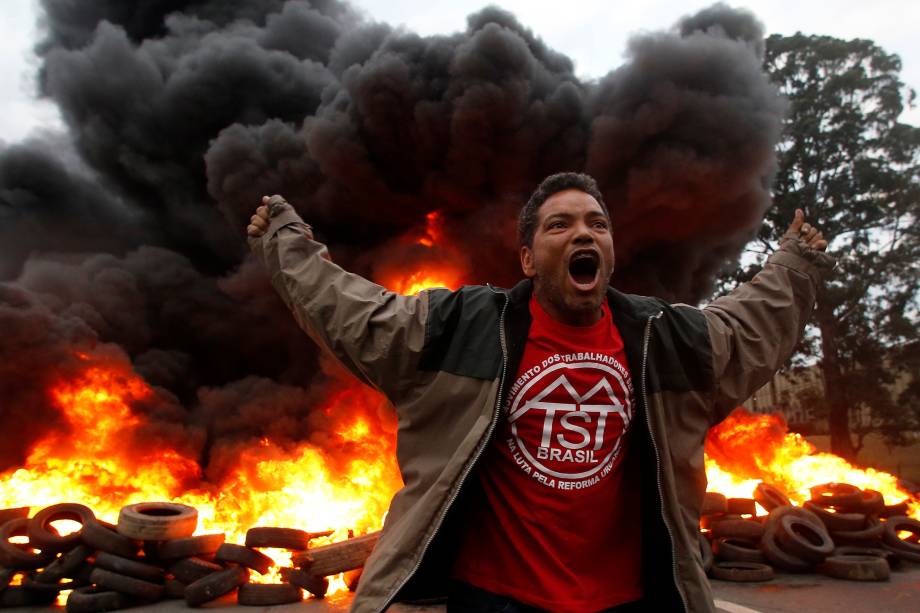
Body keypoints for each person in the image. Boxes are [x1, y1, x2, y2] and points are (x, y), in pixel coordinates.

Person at [247, 172, 832, 613]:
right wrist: (286, 242)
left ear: (609, 252)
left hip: (626, 601)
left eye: (596, 224)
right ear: (527, 258)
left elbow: (746, 329)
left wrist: (795, 264)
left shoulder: (663, 339)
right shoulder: (465, 329)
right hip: (492, 598)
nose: (583, 232)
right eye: (560, 224)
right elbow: (360, 315)